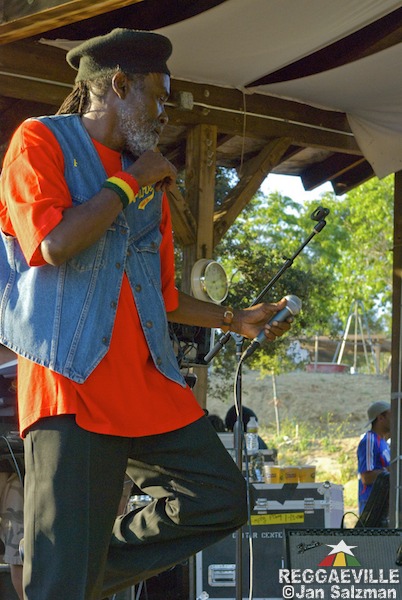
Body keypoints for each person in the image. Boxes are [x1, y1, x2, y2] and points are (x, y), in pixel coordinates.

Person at [0, 28, 291, 599]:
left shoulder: (148, 177)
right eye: (158, 96)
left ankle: (71, 573)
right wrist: (130, 180)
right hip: (71, 387)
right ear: (118, 84)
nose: (164, 113)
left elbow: (162, 297)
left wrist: (235, 319)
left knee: (220, 498)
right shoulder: (40, 140)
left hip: (146, 385)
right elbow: (54, 243)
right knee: (62, 576)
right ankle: (65, 576)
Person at [357, 400, 391, 514]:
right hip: (372, 505)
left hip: (383, 504)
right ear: (380, 418)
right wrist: (393, 471)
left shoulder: (383, 443)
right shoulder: (370, 440)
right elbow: (366, 477)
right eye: (391, 415)